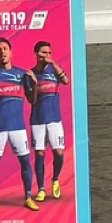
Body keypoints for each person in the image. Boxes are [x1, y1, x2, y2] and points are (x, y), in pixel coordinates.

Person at [0, 38, 38, 213]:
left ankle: (28, 198)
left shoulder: (22, 75)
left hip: (18, 127)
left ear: (11, 52)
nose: (2, 51)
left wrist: (34, 83)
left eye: (5, 48)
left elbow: (33, 100)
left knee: (25, 161)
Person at [29, 40, 69, 201]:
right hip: (38, 120)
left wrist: (53, 63)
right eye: (44, 53)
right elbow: (31, 100)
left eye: (49, 53)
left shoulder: (55, 70)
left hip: (54, 119)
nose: (47, 56)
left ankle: (55, 179)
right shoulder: (30, 73)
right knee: (40, 154)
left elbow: (66, 81)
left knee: (58, 153)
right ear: (36, 54)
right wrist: (33, 83)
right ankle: (41, 189)